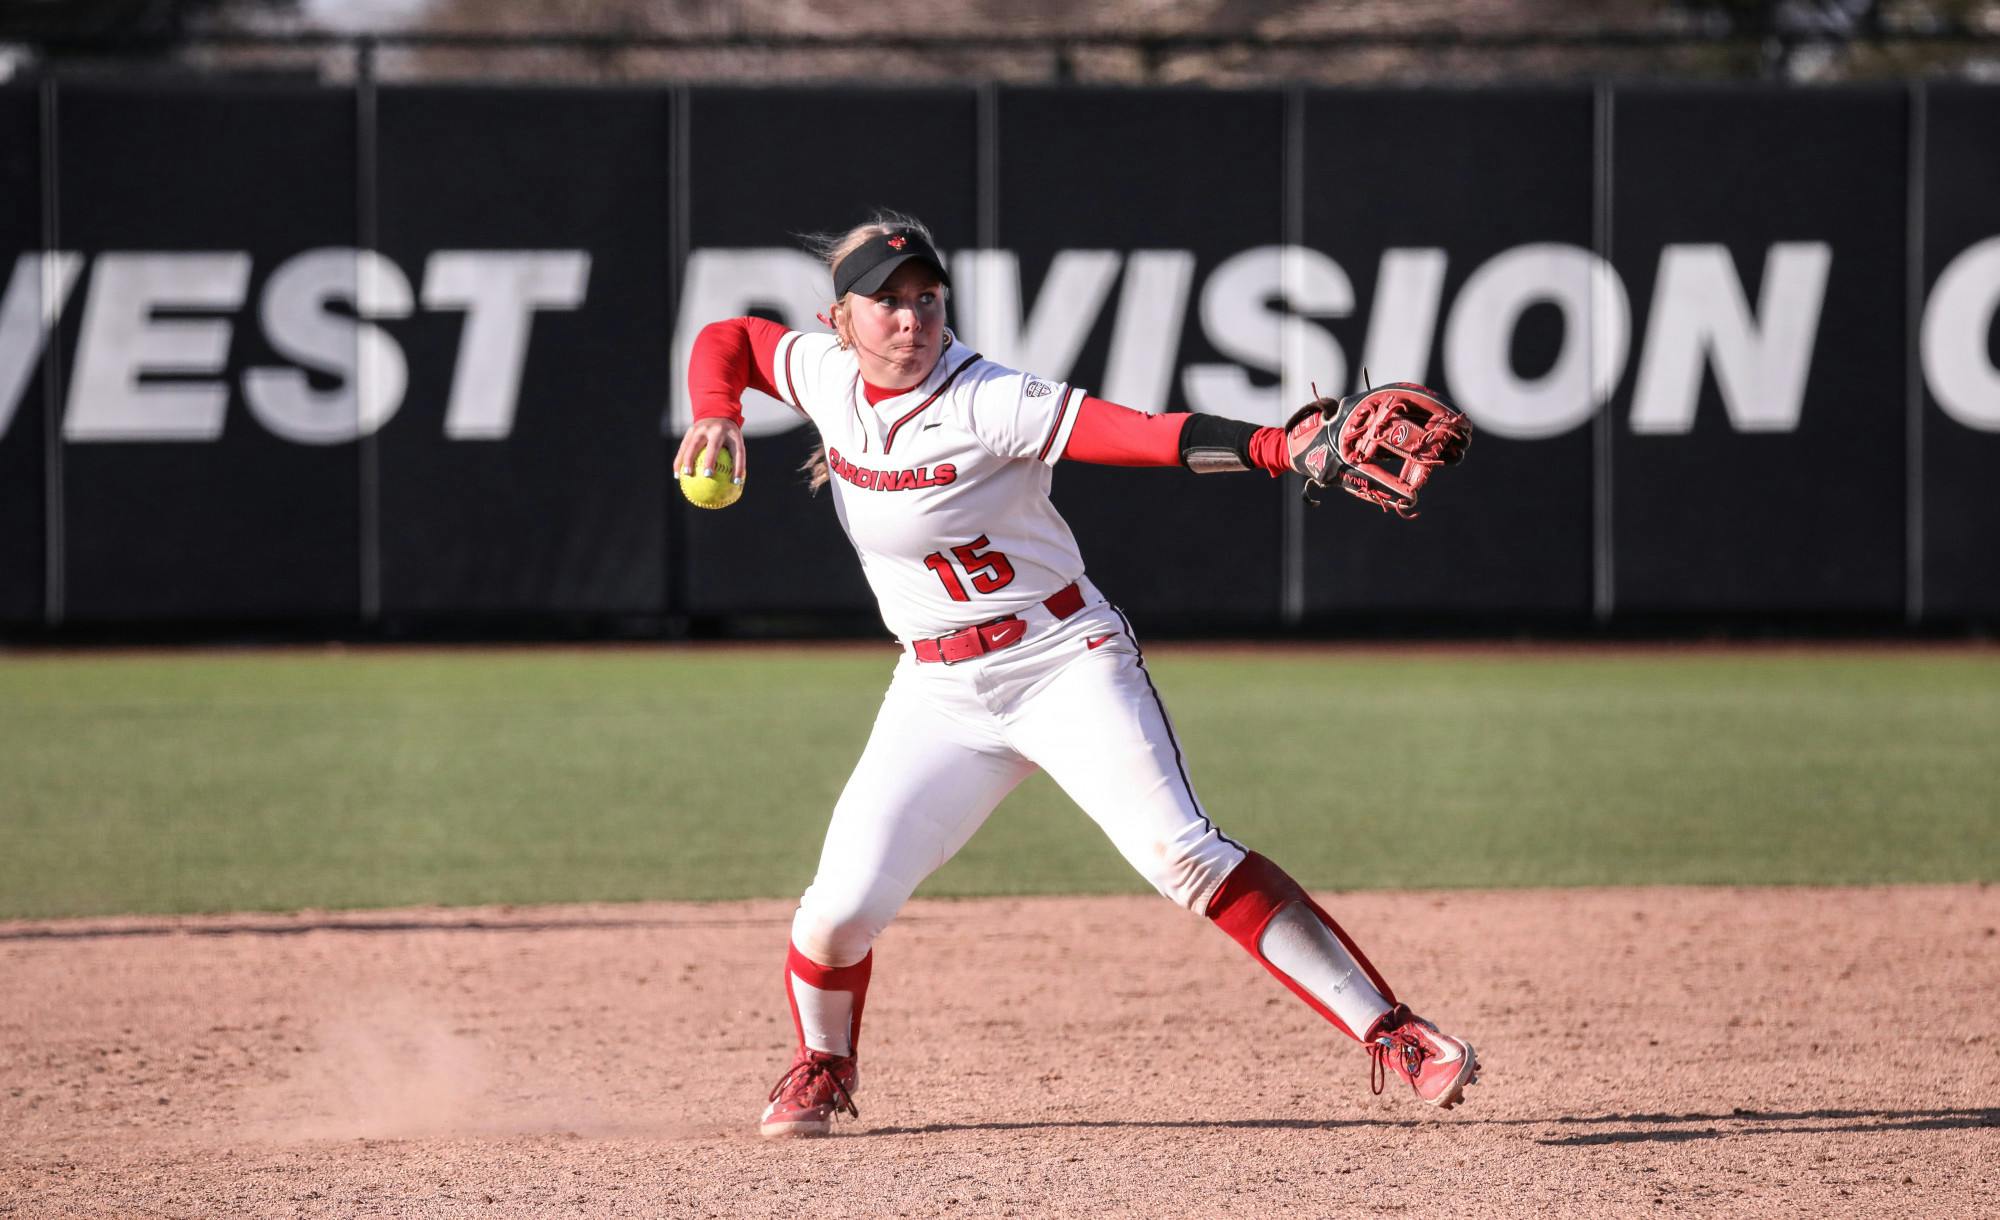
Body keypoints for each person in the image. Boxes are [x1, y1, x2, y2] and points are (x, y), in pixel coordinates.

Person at [677, 211, 1478, 1138]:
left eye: (926, 297)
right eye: (886, 302)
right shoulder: (822, 374)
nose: (910, 318)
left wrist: (1273, 447)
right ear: (841, 320)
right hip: (937, 693)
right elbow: (730, 337)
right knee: (836, 914)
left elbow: (1140, 434)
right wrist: (717, 411)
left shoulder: (986, 398)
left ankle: (1395, 1032)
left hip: (1061, 662)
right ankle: (823, 1065)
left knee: (1184, 852)